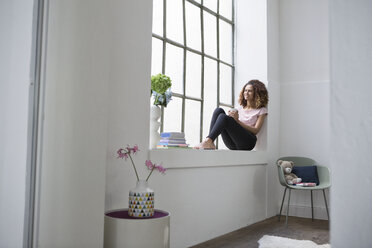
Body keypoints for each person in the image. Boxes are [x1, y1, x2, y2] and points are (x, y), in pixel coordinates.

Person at [195, 79, 269, 150]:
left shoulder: (261, 110)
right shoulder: (238, 109)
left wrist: (237, 121)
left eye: (249, 91)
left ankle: (208, 141)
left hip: (248, 142)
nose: (246, 92)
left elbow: (256, 130)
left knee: (224, 117)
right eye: (245, 90)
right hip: (233, 143)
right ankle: (210, 141)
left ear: (256, 93)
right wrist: (231, 119)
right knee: (218, 111)